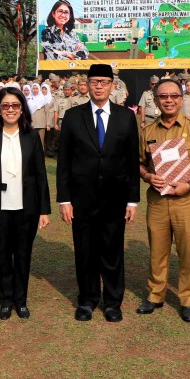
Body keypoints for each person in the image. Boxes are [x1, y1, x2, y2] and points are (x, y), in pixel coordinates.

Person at [57, 64, 140, 323]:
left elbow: (131, 161)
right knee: (85, 251)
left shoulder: (125, 117)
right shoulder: (73, 116)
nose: (99, 86)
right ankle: (88, 299)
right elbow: (64, 161)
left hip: (115, 197)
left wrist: (132, 200)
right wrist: (64, 199)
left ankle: (113, 302)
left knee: (112, 250)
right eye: (95, 81)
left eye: (104, 81)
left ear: (112, 85)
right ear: (87, 84)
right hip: (82, 198)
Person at [138, 79, 190, 322]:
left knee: (188, 251)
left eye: (174, 96)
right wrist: (148, 176)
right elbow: (139, 163)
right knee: (157, 251)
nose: (169, 100)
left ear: (181, 99)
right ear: (156, 100)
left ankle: (187, 300)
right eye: (163, 96)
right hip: (158, 201)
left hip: (187, 199)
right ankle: (155, 295)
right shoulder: (148, 131)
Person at [0, 88, 51, 320]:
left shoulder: (31, 136)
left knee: (22, 255)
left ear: (22, 109)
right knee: (2, 255)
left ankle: (21, 301)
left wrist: (44, 210)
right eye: (6, 105)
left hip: (26, 208)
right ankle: (6, 301)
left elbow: (40, 175)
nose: (11, 110)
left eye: (15, 105)